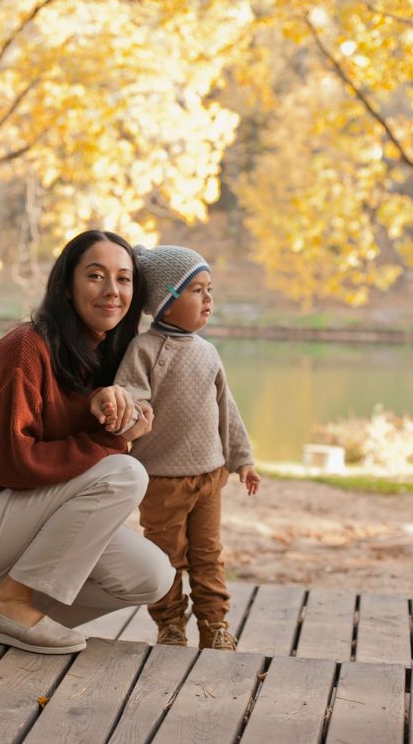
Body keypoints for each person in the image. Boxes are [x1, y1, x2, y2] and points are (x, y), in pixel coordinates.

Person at [0, 230, 175, 655]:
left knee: (151, 575)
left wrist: (130, 425)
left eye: (124, 278)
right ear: (66, 285)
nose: (112, 291)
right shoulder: (24, 348)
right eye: (95, 276)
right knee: (123, 472)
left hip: (28, 519)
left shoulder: (107, 358)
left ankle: (8, 610)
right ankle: (13, 601)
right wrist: (113, 442)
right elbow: (15, 466)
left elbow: (86, 455)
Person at [94, 244, 261, 651]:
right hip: (162, 480)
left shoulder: (208, 352)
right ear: (166, 301)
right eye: (197, 291)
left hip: (211, 476)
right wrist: (130, 414)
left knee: (208, 554)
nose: (208, 300)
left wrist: (243, 460)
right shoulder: (145, 350)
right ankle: (170, 623)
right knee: (166, 557)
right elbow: (132, 399)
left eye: (210, 290)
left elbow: (228, 410)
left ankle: (215, 624)